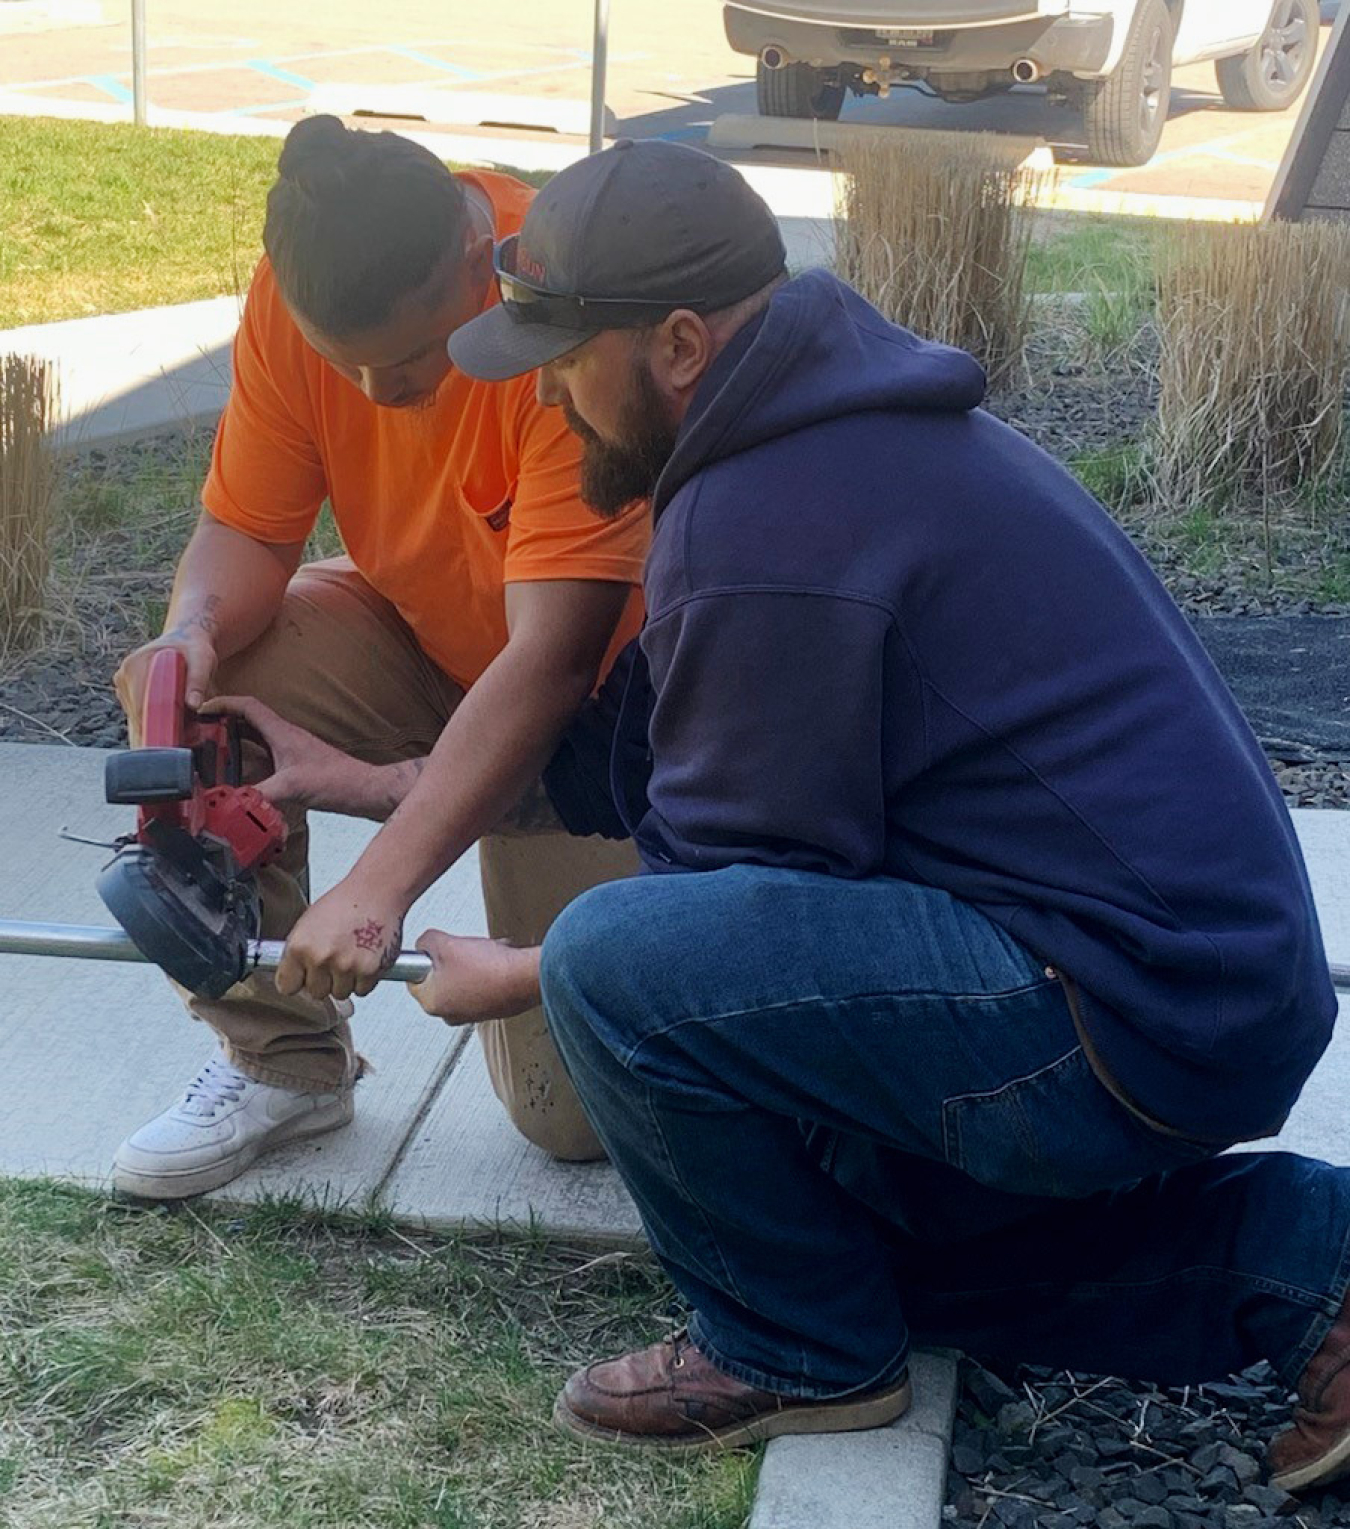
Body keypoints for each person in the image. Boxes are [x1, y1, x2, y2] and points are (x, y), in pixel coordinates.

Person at [264, 139, 1350, 1491]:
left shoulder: (767, 520)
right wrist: (369, 785)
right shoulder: (821, 451)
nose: (542, 390)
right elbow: (634, 763)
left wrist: (530, 976)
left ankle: (785, 1350)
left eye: (558, 353)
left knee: (616, 961)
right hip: (1180, 982)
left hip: (1118, 1000)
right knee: (885, 1257)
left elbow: (708, 913)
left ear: (671, 343)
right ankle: (1318, 1264)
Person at [109, 117, 648, 1200]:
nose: (369, 392)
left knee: (573, 1122)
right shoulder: (296, 291)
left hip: (600, 726)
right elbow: (253, 532)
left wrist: (375, 886)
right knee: (204, 691)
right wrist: (191, 637)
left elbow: (550, 662)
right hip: (424, 639)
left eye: (401, 362)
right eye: (338, 361)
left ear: (467, 256)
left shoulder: (554, 305)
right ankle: (285, 1058)